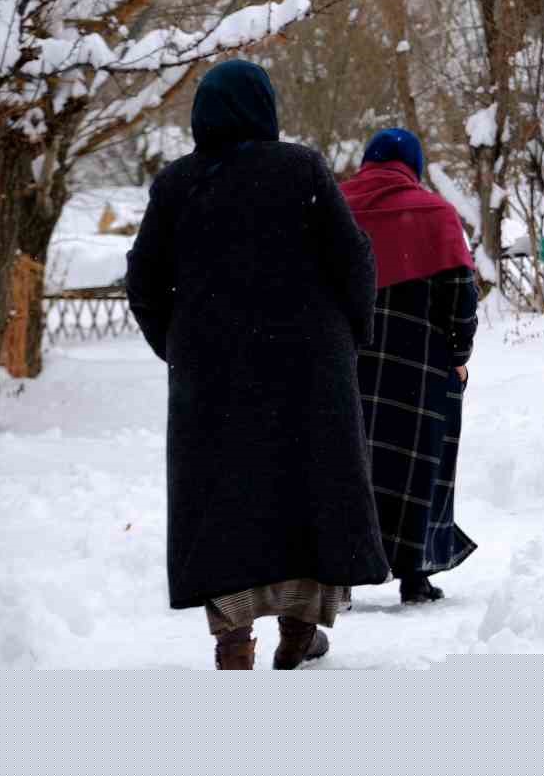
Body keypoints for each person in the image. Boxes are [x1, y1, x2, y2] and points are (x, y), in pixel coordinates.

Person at [125, 59, 387, 670]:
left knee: (225, 502)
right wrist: (349, 335)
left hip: (213, 376)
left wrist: (181, 345)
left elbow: (142, 281)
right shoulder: (301, 170)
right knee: (309, 492)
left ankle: (233, 642)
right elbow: (354, 261)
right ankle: (299, 632)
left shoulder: (177, 184)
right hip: (309, 369)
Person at [341, 129, 479, 603]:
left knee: (349, 466)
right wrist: (458, 357)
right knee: (418, 464)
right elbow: (461, 295)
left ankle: (340, 571)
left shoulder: (335, 209)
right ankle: (414, 571)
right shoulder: (435, 214)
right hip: (418, 366)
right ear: (414, 165)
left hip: (347, 364)